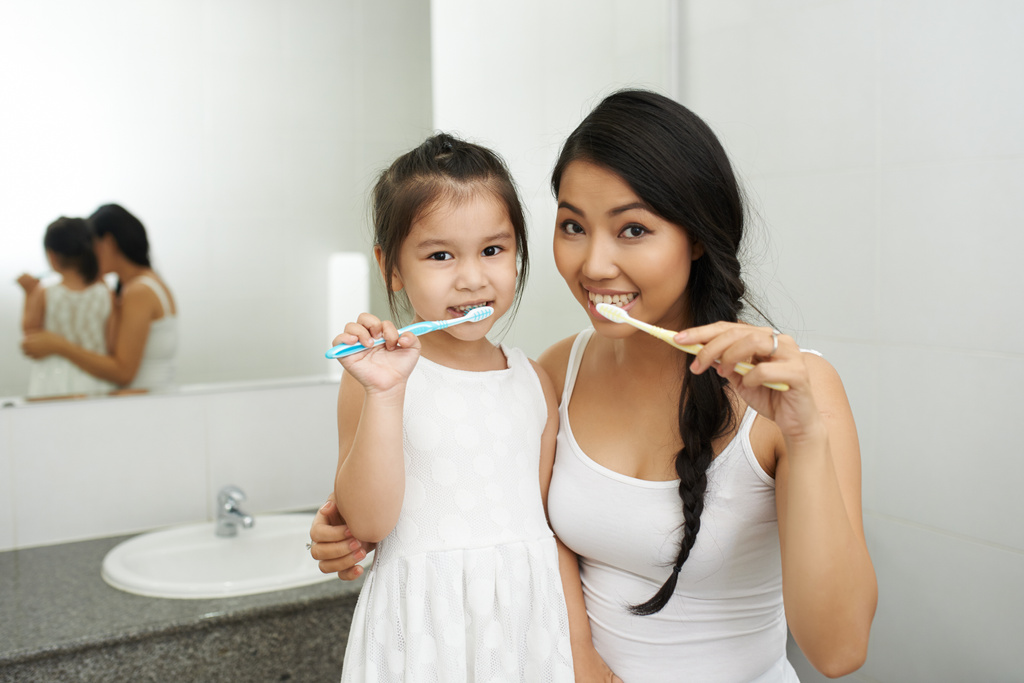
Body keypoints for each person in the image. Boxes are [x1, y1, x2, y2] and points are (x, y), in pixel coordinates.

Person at [312, 90, 877, 682]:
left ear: (699, 236)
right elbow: (499, 512)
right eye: (573, 226)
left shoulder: (797, 393)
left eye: (633, 229)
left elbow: (839, 652)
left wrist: (806, 436)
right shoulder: (557, 371)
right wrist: (347, 530)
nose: (594, 265)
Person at [329, 133, 574, 681]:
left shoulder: (534, 382)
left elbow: (542, 525)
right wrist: (386, 394)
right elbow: (367, 522)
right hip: (419, 636)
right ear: (390, 267)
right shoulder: (377, 380)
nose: (472, 278)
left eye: (493, 249)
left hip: (524, 633)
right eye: (440, 255)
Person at [21, 203, 178, 393]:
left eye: (90, 247)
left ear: (108, 242)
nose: (87, 257)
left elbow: (123, 372)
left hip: (144, 406)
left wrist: (60, 346)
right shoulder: (144, 284)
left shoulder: (138, 291)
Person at [17, 216, 114, 399]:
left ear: (52, 255)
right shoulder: (105, 294)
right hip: (95, 381)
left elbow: (30, 336)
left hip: (52, 383)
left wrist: (28, 294)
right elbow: (111, 345)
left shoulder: (44, 293)